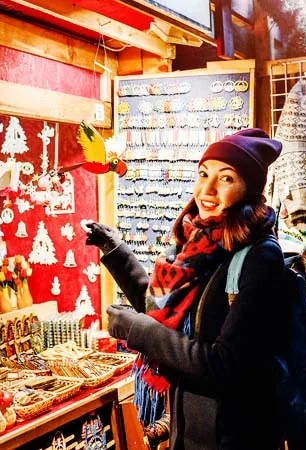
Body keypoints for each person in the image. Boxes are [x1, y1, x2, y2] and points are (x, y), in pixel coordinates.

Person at [85, 128, 289, 450]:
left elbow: (223, 362)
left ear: (249, 188)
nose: (206, 190)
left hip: (235, 434)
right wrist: (115, 251)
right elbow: (160, 305)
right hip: (190, 427)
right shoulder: (196, 243)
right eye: (203, 174)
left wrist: (139, 331)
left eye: (226, 178)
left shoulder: (259, 257)